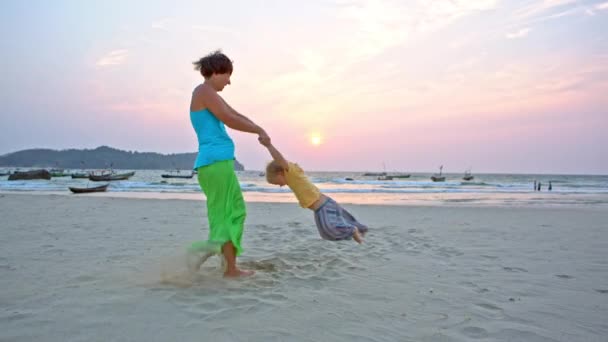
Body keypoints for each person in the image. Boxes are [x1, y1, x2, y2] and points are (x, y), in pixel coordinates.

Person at [187, 50, 270, 277]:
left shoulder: (208, 93)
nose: (229, 81)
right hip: (215, 163)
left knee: (233, 212)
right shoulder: (203, 90)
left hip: (216, 164)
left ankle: (229, 267)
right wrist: (257, 130)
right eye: (227, 75)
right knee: (228, 214)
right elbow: (229, 118)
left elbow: (233, 112)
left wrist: (258, 128)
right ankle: (210, 259)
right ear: (216, 71)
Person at [261, 141, 368, 243]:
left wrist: (269, 145)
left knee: (329, 229)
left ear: (280, 173)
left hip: (324, 206)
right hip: (319, 209)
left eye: (276, 182)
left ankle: (353, 230)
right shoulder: (292, 178)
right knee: (325, 234)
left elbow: (279, 159)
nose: (280, 185)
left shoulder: (291, 172)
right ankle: (359, 229)